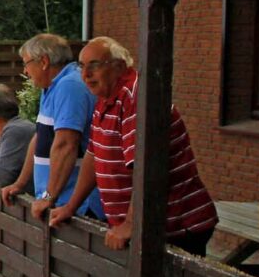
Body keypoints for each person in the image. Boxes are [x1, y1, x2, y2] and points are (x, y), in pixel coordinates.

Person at [51, 37, 218, 255]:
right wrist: (70, 207)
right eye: (82, 66)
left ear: (119, 67)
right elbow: (95, 155)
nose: (86, 74)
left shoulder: (135, 98)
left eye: (94, 65)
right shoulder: (107, 97)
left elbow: (146, 167)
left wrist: (131, 223)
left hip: (175, 226)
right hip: (148, 228)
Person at [1, 33, 105, 222]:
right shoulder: (51, 86)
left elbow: (66, 144)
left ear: (44, 62)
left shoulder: (69, 86)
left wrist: (49, 196)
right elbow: (40, 137)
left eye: (26, 63)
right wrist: (20, 183)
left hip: (78, 207)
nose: (25, 71)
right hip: (60, 202)